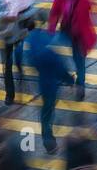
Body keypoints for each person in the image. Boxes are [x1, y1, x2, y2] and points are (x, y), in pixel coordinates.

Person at [48, 0, 97, 100]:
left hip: (80, 35)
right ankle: (65, 76)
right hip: (65, 30)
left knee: (79, 62)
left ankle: (80, 87)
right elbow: (54, 13)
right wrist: (51, 30)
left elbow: (96, 7)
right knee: (50, 49)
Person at [25, 24, 72, 153]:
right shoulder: (51, 53)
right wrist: (70, 81)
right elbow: (61, 70)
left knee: (46, 114)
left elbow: (29, 60)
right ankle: (49, 142)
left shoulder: (32, 41)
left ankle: (48, 140)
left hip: (41, 84)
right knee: (48, 113)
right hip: (52, 87)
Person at [0, 0, 35, 104]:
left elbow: (20, 10)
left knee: (13, 58)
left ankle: (17, 78)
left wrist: (8, 16)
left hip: (15, 30)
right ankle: (10, 93)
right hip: (10, 31)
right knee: (8, 62)